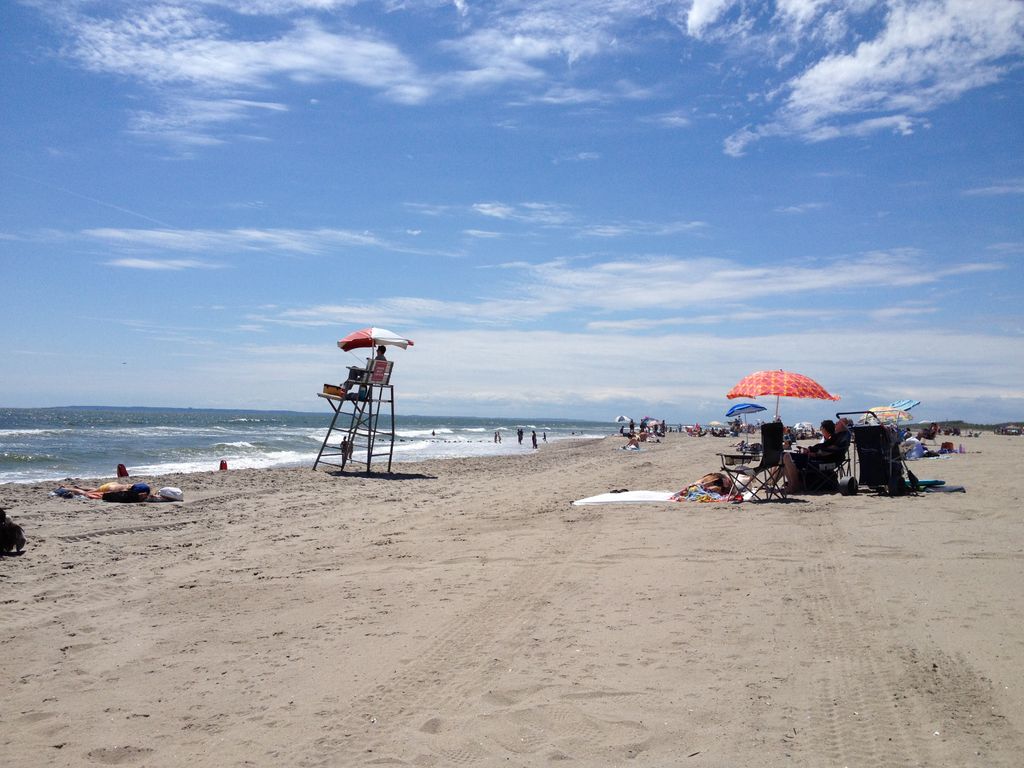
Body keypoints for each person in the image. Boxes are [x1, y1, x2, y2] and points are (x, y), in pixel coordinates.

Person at [782, 419, 850, 493]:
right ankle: (793, 484)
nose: (836, 423)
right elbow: (823, 446)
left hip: (820, 461)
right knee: (785, 456)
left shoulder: (840, 437)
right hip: (817, 458)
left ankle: (794, 485)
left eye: (838, 423)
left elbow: (831, 450)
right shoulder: (836, 436)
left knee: (785, 456)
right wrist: (810, 449)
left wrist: (815, 454)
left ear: (843, 425)